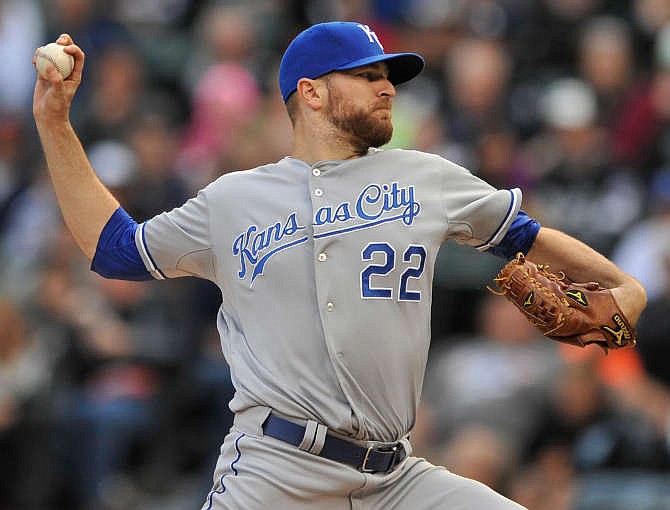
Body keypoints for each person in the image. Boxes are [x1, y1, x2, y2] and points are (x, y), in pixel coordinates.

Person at [32, 22, 647, 510]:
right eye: (367, 75)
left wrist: (623, 286)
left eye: (388, 77)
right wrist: (55, 122)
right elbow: (116, 250)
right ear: (312, 91)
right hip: (275, 473)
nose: (387, 88)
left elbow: (525, 235)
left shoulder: (425, 176)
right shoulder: (234, 199)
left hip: (397, 478)